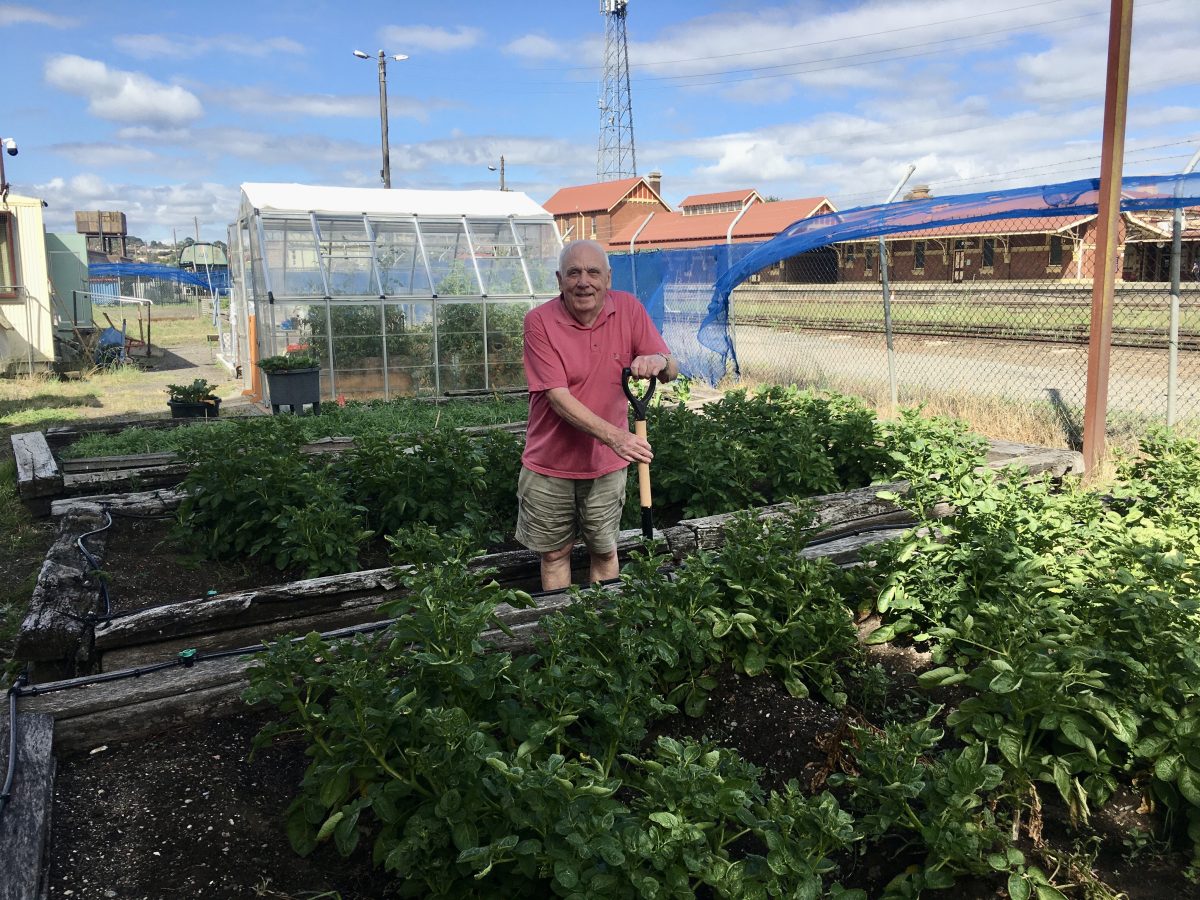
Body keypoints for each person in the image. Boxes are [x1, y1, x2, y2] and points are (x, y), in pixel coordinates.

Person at [516, 239, 678, 591]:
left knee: (605, 553)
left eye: (593, 272)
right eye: (573, 273)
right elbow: (558, 398)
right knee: (555, 555)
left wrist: (660, 361)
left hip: (606, 467)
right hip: (549, 465)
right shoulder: (538, 322)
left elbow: (672, 368)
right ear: (560, 280)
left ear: (608, 278)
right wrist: (617, 437)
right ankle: (563, 633)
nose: (583, 281)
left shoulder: (629, 309)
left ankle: (601, 628)